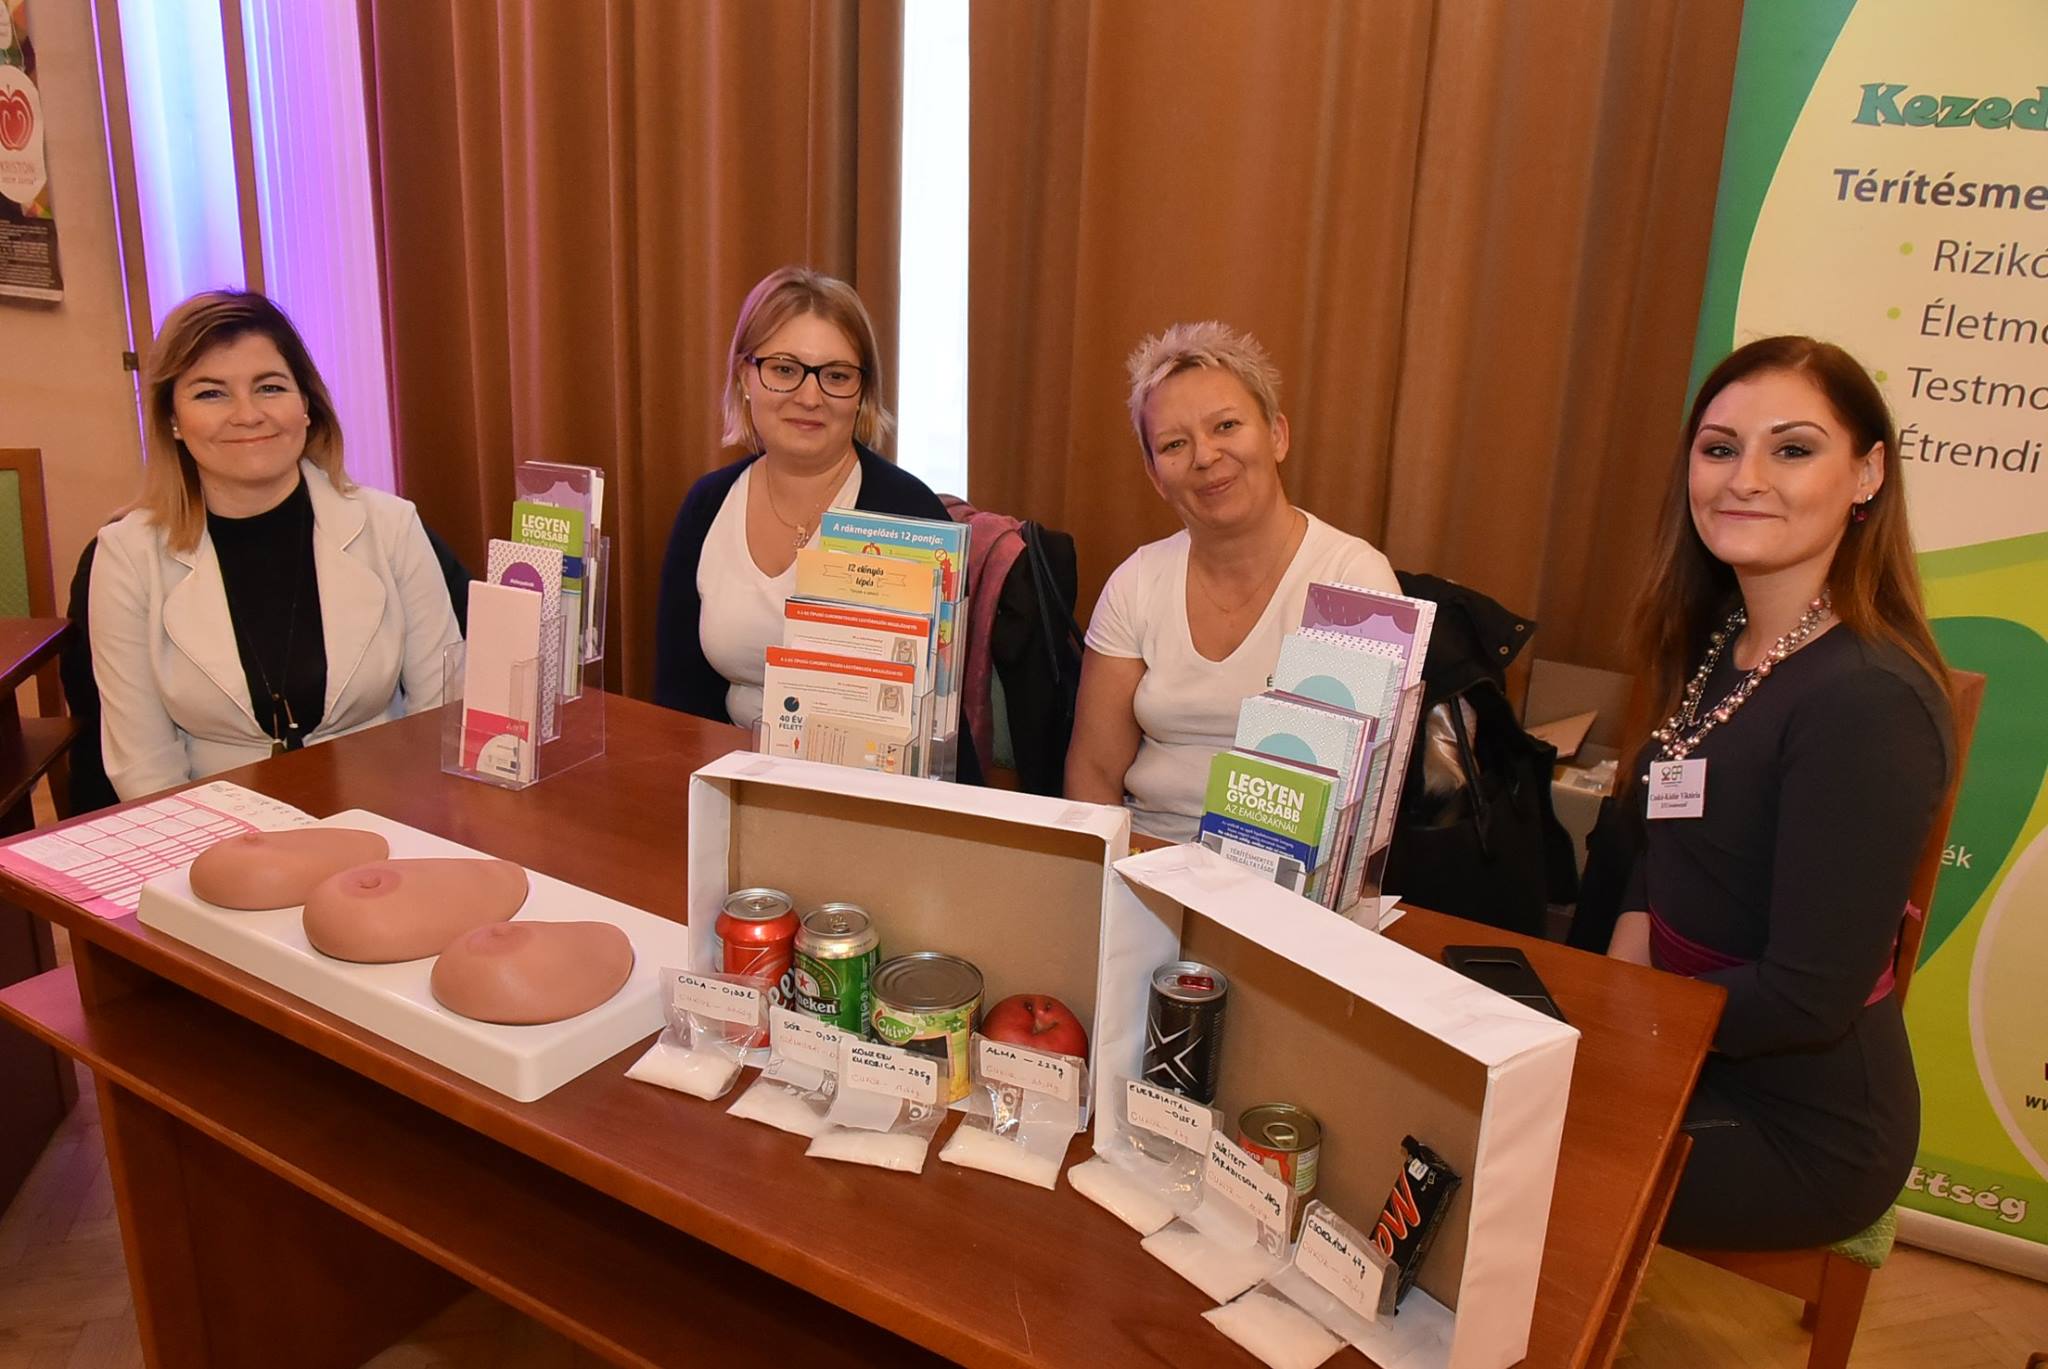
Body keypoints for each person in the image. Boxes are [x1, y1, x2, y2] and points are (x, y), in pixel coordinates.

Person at [1609, 335, 1952, 1250]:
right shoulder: (1723, 637)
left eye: (1792, 448)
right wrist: (1621, 973)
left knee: (1506, 1150)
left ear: (1868, 473)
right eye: (1720, 448)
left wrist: (1628, 1022)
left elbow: (1808, 999)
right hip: (1688, 1035)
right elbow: (1667, 828)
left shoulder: (1868, 701)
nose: (1745, 478)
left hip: (1801, 1126)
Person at [89, 290, 465, 801]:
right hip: (217, 822)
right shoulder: (126, 555)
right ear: (172, 420)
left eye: (269, 387)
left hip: (385, 810)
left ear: (305, 405)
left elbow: (442, 710)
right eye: (211, 394)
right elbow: (143, 764)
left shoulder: (391, 525)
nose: (248, 415)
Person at [1066, 321, 1399, 840]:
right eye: (1174, 444)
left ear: (1277, 435)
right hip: (1142, 855)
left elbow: (1343, 806)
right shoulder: (1136, 582)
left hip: (1282, 867)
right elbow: (1094, 772)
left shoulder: (1351, 581)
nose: (1205, 456)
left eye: (1225, 426)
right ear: (1155, 477)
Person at [653, 266, 979, 781]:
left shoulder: (909, 516)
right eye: (784, 369)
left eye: (836, 376)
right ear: (744, 377)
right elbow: (677, 700)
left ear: (862, 392)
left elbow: (937, 726)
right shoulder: (707, 505)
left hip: (874, 793)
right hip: (727, 780)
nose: (810, 397)